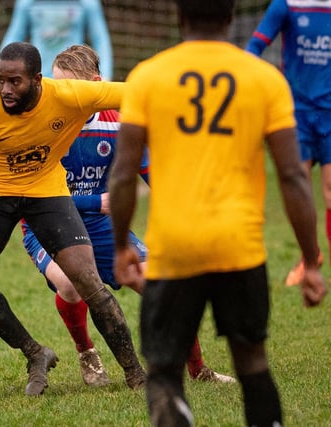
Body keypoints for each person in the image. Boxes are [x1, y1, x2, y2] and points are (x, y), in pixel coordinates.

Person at [109, 0, 328, 426]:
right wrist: (312, 259)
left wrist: (121, 246)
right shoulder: (264, 79)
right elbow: (293, 177)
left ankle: (174, 413)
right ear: (231, 17)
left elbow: (121, 175)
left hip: (175, 249)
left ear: (179, 15)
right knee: (252, 362)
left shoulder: (148, 76)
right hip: (239, 248)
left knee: (164, 367)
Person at [0, 41, 146, 397]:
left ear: (37, 80)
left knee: (85, 278)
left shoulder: (69, 96)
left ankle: (135, 373)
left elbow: (135, 93)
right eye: (0, 80)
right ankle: (35, 353)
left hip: (45, 191)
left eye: (14, 81)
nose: (4, 89)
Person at [21, 44, 235, 387]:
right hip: (48, 224)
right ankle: (87, 354)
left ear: (97, 83)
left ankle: (198, 370)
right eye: (58, 86)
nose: (65, 95)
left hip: (102, 227)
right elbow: (34, 198)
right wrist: (95, 202)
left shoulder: (119, 122)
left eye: (74, 87)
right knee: (70, 283)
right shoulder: (41, 124)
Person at [246, 0, 330, 287]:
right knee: (300, 188)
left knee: (330, 192)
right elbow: (253, 50)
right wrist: (261, 83)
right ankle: (311, 258)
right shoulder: (286, 5)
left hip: (330, 115)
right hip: (295, 116)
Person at [0, 0, 112, 89]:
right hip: (38, 79)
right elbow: (14, 36)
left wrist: (105, 74)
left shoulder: (87, 3)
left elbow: (100, 39)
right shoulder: (27, 3)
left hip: (74, 79)